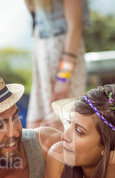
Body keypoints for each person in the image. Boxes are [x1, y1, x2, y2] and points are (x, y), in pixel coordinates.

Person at [24, 0, 90, 131]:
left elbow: (75, 26)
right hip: (42, 58)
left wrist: (63, 77)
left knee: (60, 123)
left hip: (63, 57)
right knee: (37, 126)